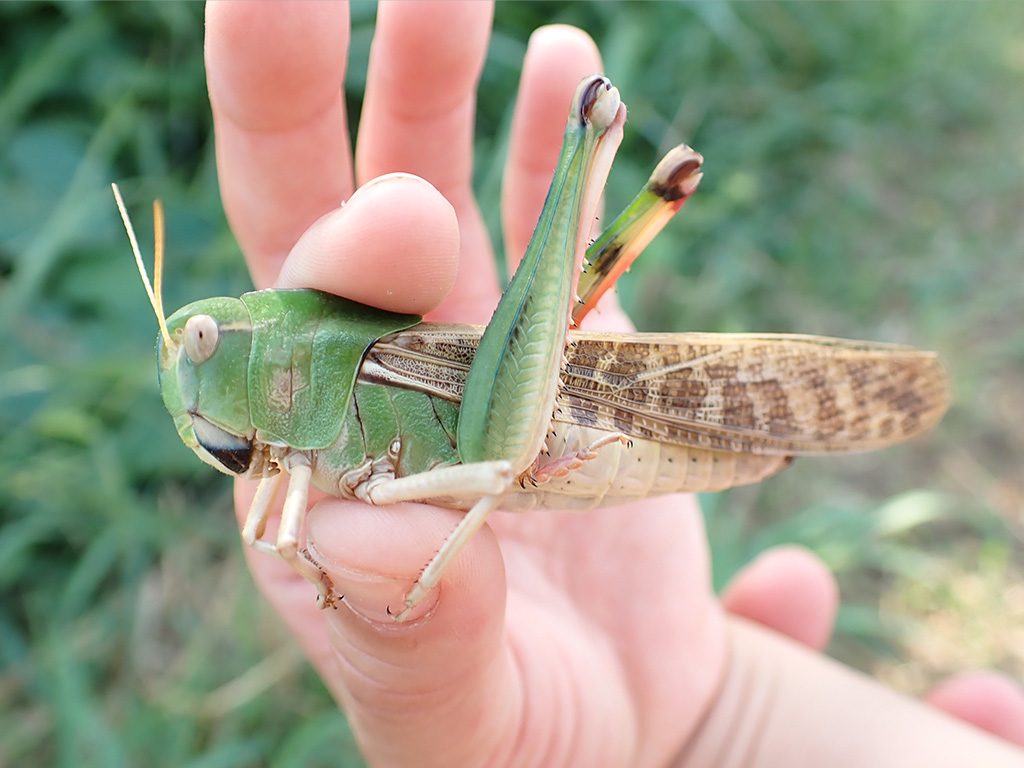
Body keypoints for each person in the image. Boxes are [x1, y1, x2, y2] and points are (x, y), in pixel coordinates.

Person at [204, 3, 1024, 765]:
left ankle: (594, 147)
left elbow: (478, 474)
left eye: (208, 342)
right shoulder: (294, 492)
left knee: (485, 445)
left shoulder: (321, 418)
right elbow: (273, 536)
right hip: (534, 482)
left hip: (535, 428)